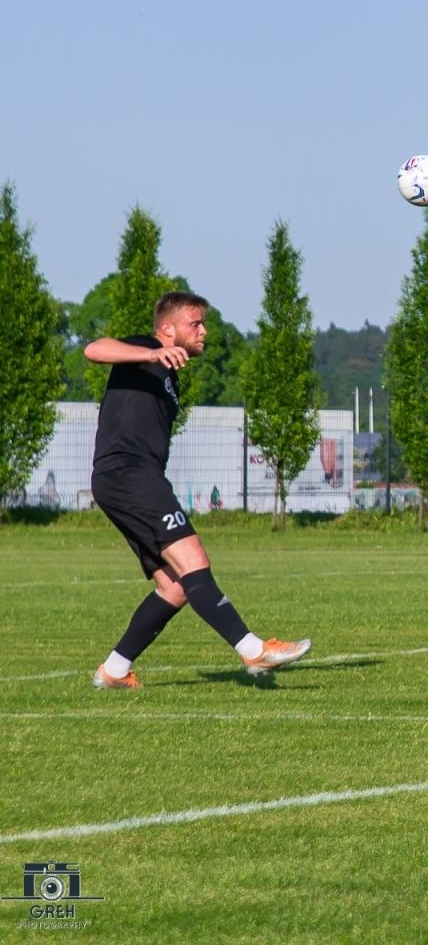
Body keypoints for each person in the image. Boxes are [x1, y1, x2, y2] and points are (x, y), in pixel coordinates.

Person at [87, 291, 310, 689]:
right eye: (195, 323)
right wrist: (151, 353)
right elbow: (94, 349)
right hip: (129, 473)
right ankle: (253, 650)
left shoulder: (169, 374)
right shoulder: (146, 348)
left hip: (125, 477)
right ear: (167, 328)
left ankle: (114, 670)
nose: (204, 331)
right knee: (193, 559)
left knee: (175, 588)